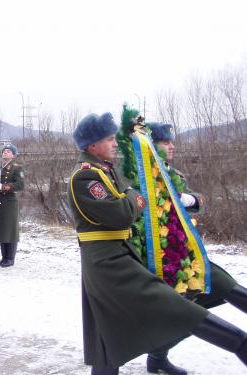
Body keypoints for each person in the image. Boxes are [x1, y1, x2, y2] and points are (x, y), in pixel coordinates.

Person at [67, 113, 246, 374]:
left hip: (135, 254)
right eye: (108, 138)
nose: (114, 142)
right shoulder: (91, 175)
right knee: (174, 309)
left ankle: (159, 359)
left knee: (111, 330)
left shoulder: (113, 170)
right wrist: (134, 197)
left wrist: (181, 200)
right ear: (92, 145)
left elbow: (142, 204)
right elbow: (123, 213)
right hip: (115, 259)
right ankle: (240, 344)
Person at [143, 122, 247, 375]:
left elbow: (197, 199)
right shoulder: (139, 176)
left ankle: (157, 358)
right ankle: (157, 358)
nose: (172, 146)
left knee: (226, 288)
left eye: (171, 142)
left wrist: (189, 200)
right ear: (151, 147)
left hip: (189, 254)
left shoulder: (172, 174)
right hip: (165, 259)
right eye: (165, 143)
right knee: (187, 315)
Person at [0, 143, 24, 267]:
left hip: (9, 202)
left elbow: (20, 185)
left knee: (10, 230)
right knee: (1, 230)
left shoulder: (16, 168)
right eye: (4, 151)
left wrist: (3, 186)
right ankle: (4, 257)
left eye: (8, 151)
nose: (5, 153)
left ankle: (10, 258)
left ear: (13, 155)